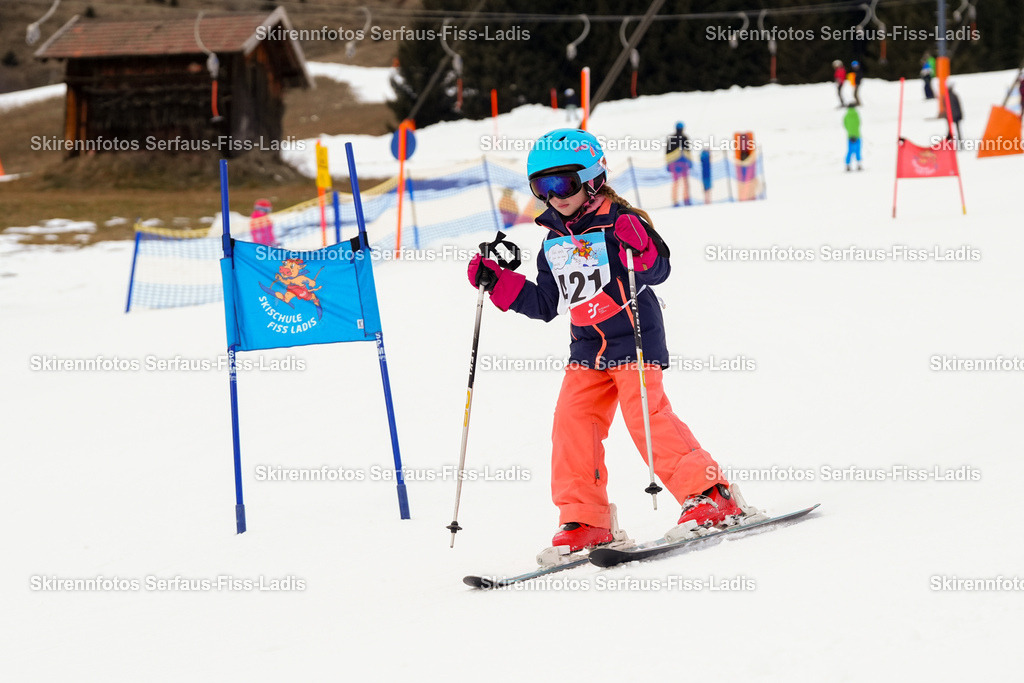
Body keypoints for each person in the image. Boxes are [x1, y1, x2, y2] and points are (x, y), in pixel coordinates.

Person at [466, 128, 744, 552]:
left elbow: (656, 270)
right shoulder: (555, 241)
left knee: (645, 417)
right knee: (572, 425)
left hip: (633, 335)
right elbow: (544, 303)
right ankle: (587, 520)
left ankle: (711, 495)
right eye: (543, 187)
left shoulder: (621, 221)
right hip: (586, 348)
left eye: (564, 183)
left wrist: (641, 245)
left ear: (592, 178)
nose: (555, 196)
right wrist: (499, 283)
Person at [665, 121, 692, 207]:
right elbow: (688, 151)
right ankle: (686, 200)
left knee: (676, 182)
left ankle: (675, 201)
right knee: (685, 182)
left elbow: (667, 152)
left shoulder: (671, 138)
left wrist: (668, 164)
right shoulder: (684, 137)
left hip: (673, 163)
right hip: (683, 163)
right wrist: (690, 162)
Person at [843, 104, 862, 171]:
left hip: (850, 136)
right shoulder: (856, 114)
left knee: (850, 151)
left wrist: (849, 131)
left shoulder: (846, 115)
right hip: (857, 135)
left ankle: (847, 165)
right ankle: (859, 165)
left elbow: (845, 124)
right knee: (858, 150)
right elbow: (859, 123)